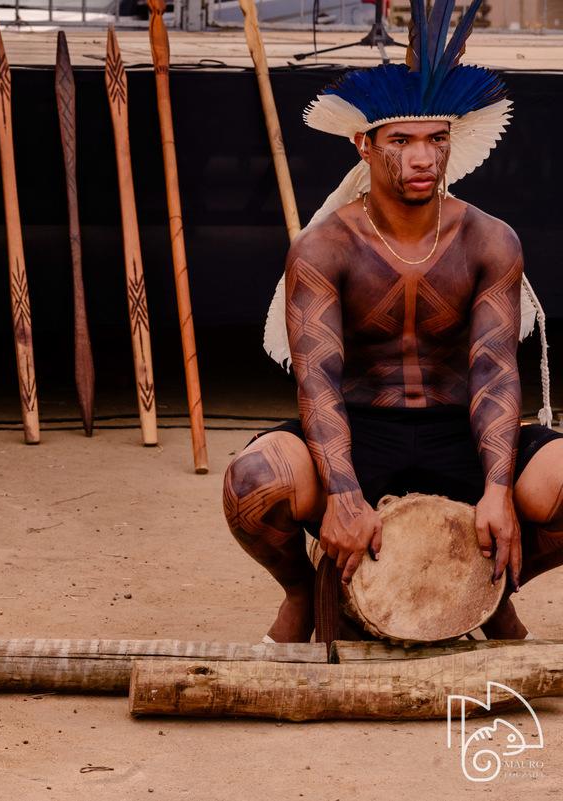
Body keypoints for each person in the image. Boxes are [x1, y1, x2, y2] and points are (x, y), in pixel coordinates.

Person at [222, 0, 563, 644]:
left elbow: (494, 372)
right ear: (365, 144)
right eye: (401, 142)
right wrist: (342, 494)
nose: (422, 159)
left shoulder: (489, 240)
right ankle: (305, 591)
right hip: (359, 430)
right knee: (253, 485)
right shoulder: (324, 247)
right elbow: (317, 381)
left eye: (437, 140)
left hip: (460, 431)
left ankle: (491, 588)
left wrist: (497, 490)